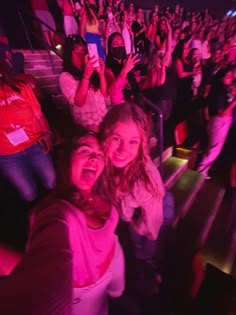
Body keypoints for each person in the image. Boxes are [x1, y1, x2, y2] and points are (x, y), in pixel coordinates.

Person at [0, 132, 125, 315]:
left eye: (99, 154)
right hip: (82, 295)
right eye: (85, 151)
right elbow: (46, 264)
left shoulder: (101, 194)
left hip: (113, 260)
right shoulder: (57, 212)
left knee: (113, 298)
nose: (94, 158)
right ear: (68, 159)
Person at [99, 103, 175, 290]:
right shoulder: (106, 160)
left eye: (133, 141)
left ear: (142, 144)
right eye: (117, 138)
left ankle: (151, 268)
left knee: (149, 244)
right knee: (137, 243)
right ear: (105, 135)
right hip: (137, 208)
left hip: (156, 210)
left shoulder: (144, 182)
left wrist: (130, 221)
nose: (123, 150)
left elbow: (151, 225)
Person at [0, 61, 56, 202]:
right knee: (28, 193)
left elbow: (39, 115)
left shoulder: (22, 88)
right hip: (8, 155)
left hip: (34, 144)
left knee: (51, 181)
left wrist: (47, 134)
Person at [59, 34, 107, 132]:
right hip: (86, 128)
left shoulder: (91, 71)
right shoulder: (66, 76)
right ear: (69, 54)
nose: (82, 57)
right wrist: (86, 76)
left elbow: (104, 94)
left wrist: (101, 75)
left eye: (84, 53)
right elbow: (79, 102)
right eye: (78, 54)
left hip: (104, 123)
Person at [196, 66, 236, 179]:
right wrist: (234, 102)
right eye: (227, 76)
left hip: (224, 121)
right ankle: (200, 172)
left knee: (214, 149)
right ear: (221, 78)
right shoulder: (218, 91)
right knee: (214, 150)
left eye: (231, 76)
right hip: (219, 122)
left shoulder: (225, 89)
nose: (230, 79)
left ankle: (204, 171)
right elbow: (221, 113)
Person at [105, 32, 140, 105]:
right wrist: (124, 71)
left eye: (122, 43)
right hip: (121, 107)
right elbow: (112, 91)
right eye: (116, 43)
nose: (120, 45)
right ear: (110, 46)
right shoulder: (107, 68)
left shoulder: (127, 62)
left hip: (134, 104)